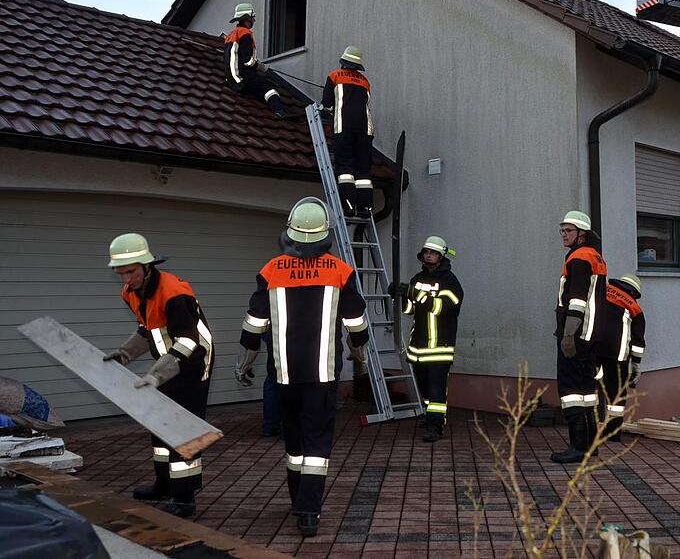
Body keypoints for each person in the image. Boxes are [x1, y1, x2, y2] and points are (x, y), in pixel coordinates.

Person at [235, 197, 370, 537]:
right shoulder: (341, 271)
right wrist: (360, 354)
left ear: (291, 233)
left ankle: (298, 500)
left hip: (283, 373)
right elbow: (355, 323)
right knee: (317, 443)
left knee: (293, 441)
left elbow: (254, 323)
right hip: (323, 375)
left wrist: (246, 359)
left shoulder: (271, 269)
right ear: (326, 234)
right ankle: (309, 512)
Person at [103, 233, 214, 518]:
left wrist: (156, 375)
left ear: (147, 265)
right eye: (120, 273)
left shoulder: (174, 292)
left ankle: (185, 498)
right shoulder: (130, 292)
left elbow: (188, 342)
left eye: (131, 272)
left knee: (183, 429)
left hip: (192, 363)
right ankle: (164, 485)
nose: (126, 279)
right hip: (164, 367)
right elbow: (147, 329)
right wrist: (124, 354)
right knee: (159, 424)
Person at [551, 211, 607, 464]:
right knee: (587, 391)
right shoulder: (595, 256)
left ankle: (577, 446)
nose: (563, 234)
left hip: (577, 335)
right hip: (592, 335)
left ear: (581, 233)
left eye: (568, 230)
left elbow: (577, 299)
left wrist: (568, 335)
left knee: (571, 390)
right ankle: (590, 445)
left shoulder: (579, 258)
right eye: (562, 230)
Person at [402, 236, 464, 443]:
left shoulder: (450, 281)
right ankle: (431, 415)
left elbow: (445, 307)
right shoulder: (417, 278)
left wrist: (415, 294)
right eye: (426, 251)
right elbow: (409, 310)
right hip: (419, 346)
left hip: (439, 345)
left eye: (433, 252)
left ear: (441, 256)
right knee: (424, 386)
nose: (429, 255)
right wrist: (401, 295)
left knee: (437, 388)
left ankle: (435, 426)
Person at [320, 45, 374, 217]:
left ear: (343, 62)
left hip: (344, 128)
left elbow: (327, 103)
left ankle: (349, 207)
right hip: (365, 130)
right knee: (363, 172)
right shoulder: (365, 82)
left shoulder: (334, 76)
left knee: (345, 169)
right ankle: (365, 208)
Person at [592, 274, 647, 442]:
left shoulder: (601, 292)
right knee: (615, 395)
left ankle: (589, 430)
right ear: (633, 292)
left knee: (590, 389)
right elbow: (637, 343)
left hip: (592, 350)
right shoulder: (635, 309)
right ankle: (613, 434)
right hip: (617, 358)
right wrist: (636, 364)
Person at [222, 2, 292, 119]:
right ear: (247, 18)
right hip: (243, 77)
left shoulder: (232, 34)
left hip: (231, 79)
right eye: (253, 17)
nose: (254, 20)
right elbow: (247, 61)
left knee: (259, 89)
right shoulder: (245, 34)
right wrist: (260, 66)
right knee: (270, 88)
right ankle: (280, 111)